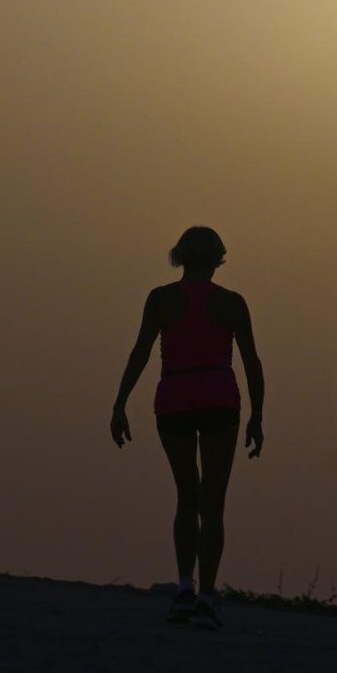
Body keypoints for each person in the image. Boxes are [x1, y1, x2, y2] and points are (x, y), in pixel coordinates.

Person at [110, 225, 265, 629]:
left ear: (180, 256)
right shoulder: (232, 303)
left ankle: (184, 587)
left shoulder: (161, 299)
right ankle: (206, 596)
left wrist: (120, 403)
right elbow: (252, 363)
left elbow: (141, 353)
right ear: (218, 258)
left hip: (175, 396)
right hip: (218, 396)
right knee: (213, 502)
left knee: (187, 497)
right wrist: (258, 416)